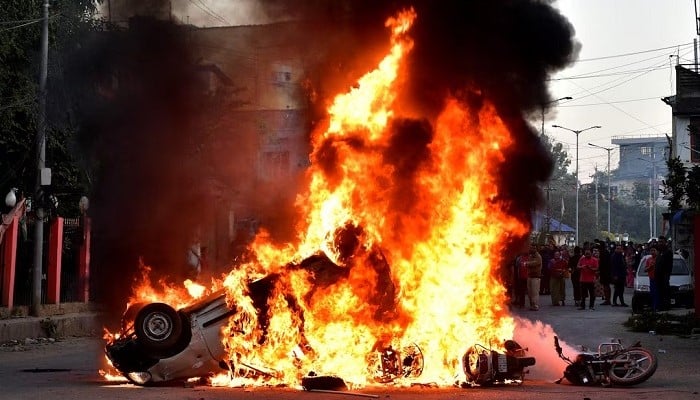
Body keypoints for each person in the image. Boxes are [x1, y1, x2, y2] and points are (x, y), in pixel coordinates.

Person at [655, 236, 673, 311]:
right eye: (659, 242)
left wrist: (667, 276)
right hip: (658, 276)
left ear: (665, 242)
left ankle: (665, 307)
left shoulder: (668, 252)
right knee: (659, 292)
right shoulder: (659, 252)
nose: (660, 243)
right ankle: (660, 306)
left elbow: (669, 266)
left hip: (664, 275)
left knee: (665, 292)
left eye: (661, 242)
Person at [522, 244, 543, 311]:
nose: (531, 249)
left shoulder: (538, 256)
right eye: (531, 248)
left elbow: (535, 263)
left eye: (533, 248)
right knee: (530, 292)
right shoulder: (531, 256)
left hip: (536, 277)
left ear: (535, 249)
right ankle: (532, 305)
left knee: (535, 292)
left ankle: (535, 305)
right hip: (530, 276)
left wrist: (527, 263)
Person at [644, 246, 660, 312]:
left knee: (658, 293)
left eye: (654, 250)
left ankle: (657, 307)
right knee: (653, 293)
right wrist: (650, 267)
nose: (652, 252)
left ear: (657, 251)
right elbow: (645, 269)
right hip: (651, 278)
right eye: (651, 250)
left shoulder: (659, 258)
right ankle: (653, 307)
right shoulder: (648, 259)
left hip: (658, 278)